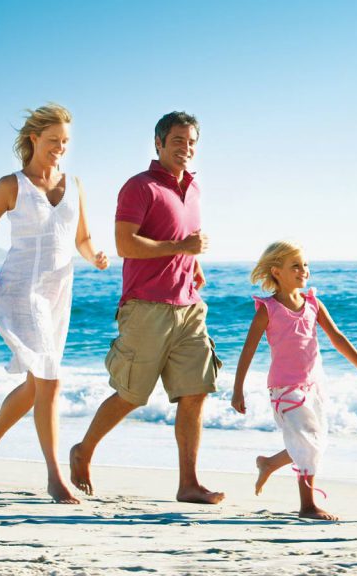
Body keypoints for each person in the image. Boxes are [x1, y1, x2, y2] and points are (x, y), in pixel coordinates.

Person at [68, 111, 223, 504]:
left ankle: (188, 483)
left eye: (191, 141)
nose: (185, 148)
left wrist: (194, 263)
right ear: (158, 143)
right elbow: (126, 245)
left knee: (195, 392)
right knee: (132, 394)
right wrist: (181, 249)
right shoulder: (139, 187)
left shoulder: (195, 188)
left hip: (189, 307)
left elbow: (182, 236)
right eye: (177, 140)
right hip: (145, 307)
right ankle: (83, 450)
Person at [0, 104, 109, 504]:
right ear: (34, 139)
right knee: (50, 379)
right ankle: (54, 477)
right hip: (19, 290)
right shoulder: (10, 185)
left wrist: (95, 256)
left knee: (36, 384)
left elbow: (81, 238)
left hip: (57, 295)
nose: (60, 149)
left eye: (65, 142)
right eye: (53, 141)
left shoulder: (75, 184)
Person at [231, 241, 357, 520]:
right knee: (307, 443)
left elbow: (337, 339)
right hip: (284, 388)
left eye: (305, 265)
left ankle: (270, 463)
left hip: (314, 385)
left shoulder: (313, 303)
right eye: (295, 266)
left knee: (315, 441)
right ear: (277, 272)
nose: (303, 270)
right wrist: (238, 389)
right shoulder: (268, 309)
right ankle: (307, 505)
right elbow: (248, 350)